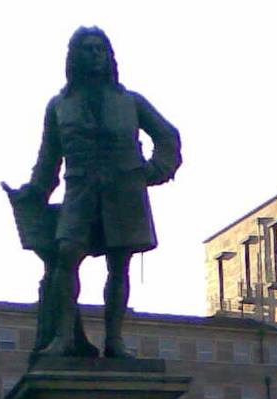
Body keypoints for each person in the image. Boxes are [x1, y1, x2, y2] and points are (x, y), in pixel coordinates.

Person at [12, 27, 181, 361]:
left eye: (100, 49)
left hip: (124, 193)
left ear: (109, 57)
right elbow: (49, 159)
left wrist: (152, 172)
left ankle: (114, 340)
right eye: (87, 50)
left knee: (119, 266)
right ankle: (63, 337)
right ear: (74, 57)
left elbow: (168, 137)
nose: (95, 55)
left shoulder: (130, 101)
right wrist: (34, 191)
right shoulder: (59, 106)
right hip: (80, 191)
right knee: (66, 257)